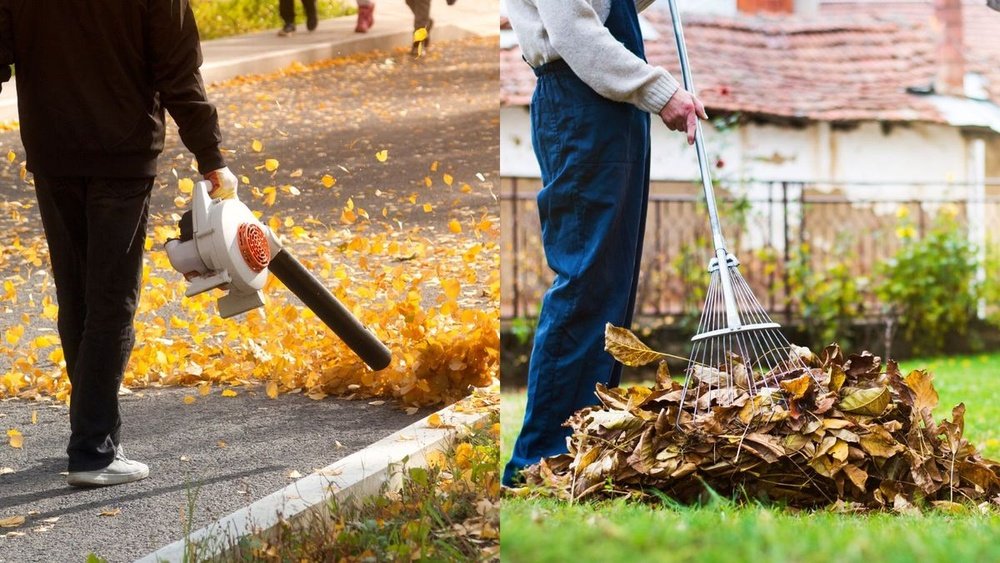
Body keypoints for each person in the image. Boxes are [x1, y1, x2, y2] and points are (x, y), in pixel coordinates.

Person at [0, 0, 237, 487]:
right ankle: (93, 449)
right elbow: (178, 71)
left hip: (53, 151)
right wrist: (210, 156)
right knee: (112, 300)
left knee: (79, 294)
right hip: (122, 154)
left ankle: (93, 433)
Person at [501, 0, 707, 487]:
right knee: (586, 282)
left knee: (610, 287)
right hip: (580, 100)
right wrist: (660, 91)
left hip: (608, 108)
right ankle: (540, 459)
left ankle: (584, 446)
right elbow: (575, 31)